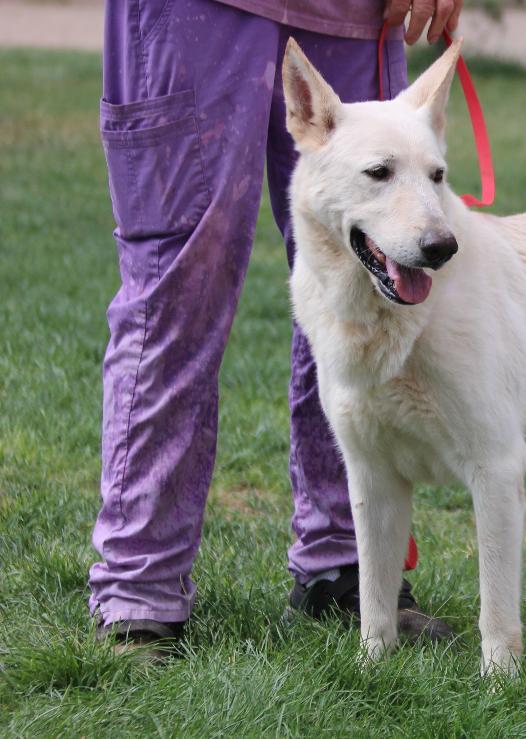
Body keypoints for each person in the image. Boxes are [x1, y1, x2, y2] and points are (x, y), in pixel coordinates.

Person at [91, 0, 462, 653]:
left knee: (365, 287)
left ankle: (348, 570)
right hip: (194, 13)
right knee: (179, 283)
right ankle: (139, 590)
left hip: (352, 12)